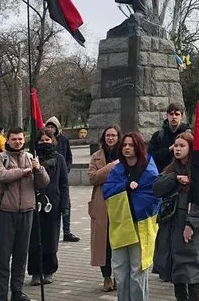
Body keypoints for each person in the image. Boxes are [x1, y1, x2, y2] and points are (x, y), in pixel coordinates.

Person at [0, 126, 50, 301]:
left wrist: (39, 169)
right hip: (5, 213)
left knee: (21, 255)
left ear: (25, 140)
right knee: (3, 257)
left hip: (27, 212)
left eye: (20, 139)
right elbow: (0, 176)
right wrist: (22, 172)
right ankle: (2, 295)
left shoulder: (30, 157)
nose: (17, 142)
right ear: (7, 140)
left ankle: (16, 291)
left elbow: (43, 183)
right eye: (14, 139)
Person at [102, 132, 161, 301]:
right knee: (120, 272)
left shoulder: (149, 168)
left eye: (131, 145)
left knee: (137, 272)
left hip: (140, 225)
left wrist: (132, 200)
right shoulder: (118, 169)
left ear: (138, 147)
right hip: (121, 225)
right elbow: (107, 191)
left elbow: (154, 195)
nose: (127, 148)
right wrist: (125, 186)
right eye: (125, 145)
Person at [152, 132, 199, 301]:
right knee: (176, 271)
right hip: (171, 227)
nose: (178, 149)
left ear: (190, 148)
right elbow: (157, 188)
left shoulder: (198, 171)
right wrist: (175, 178)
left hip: (190, 227)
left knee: (191, 269)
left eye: (182, 146)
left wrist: (191, 225)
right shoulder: (171, 169)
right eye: (176, 145)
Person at [28, 128, 70, 286]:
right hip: (34, 203)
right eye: (41, 140)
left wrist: (65, 205)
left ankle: (49, 270)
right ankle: (35, 272)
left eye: (47, 140)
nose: (44, 143)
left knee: (50, 239)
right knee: (34, 239)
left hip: (53, 204)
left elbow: (64, 184)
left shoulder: (59, 159)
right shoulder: (32, 158)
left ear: (53, 141)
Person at [88, 125, 121, 292]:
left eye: (114, 135)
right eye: (108, 135)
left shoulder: (125, 154)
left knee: (119, 242)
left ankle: (118, 275)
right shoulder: (97, 156)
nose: (110, 138)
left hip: (120, 203)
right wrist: (111, 166)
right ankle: (106, 277)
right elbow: (92, 178)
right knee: (104, 243)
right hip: (102, 203)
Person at [43, 116, 78, 242]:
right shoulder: (43, 140)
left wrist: (65, 169)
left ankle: (67, 231)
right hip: (47, 177)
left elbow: (69, 157)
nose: (50, 129)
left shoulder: (63, 140)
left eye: (53, 127)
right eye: (48, 126)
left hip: (61, 176)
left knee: (65, 204)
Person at [148, 103, 190, 173]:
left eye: (177, 114)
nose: (174, 117)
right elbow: (150, 157)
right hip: (163, 175)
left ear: (182, 116)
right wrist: (169, 149)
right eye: (171, 114)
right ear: (167, 115)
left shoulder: (188, 135)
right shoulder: (158, 135)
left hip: (183, 174)